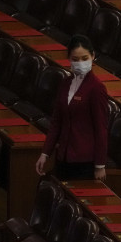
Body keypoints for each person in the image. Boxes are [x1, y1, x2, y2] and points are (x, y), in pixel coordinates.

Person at [35, 35, 109, 180]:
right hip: (63, 157)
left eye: (84, 58)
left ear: (93, 56)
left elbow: (101, 129)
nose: (80, 63)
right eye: (75, 59)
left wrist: (100, 165)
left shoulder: (96, 88)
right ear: (69, 58)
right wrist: (45, 153)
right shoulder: (65, 83)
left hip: (84, 161)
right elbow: (57, 122)